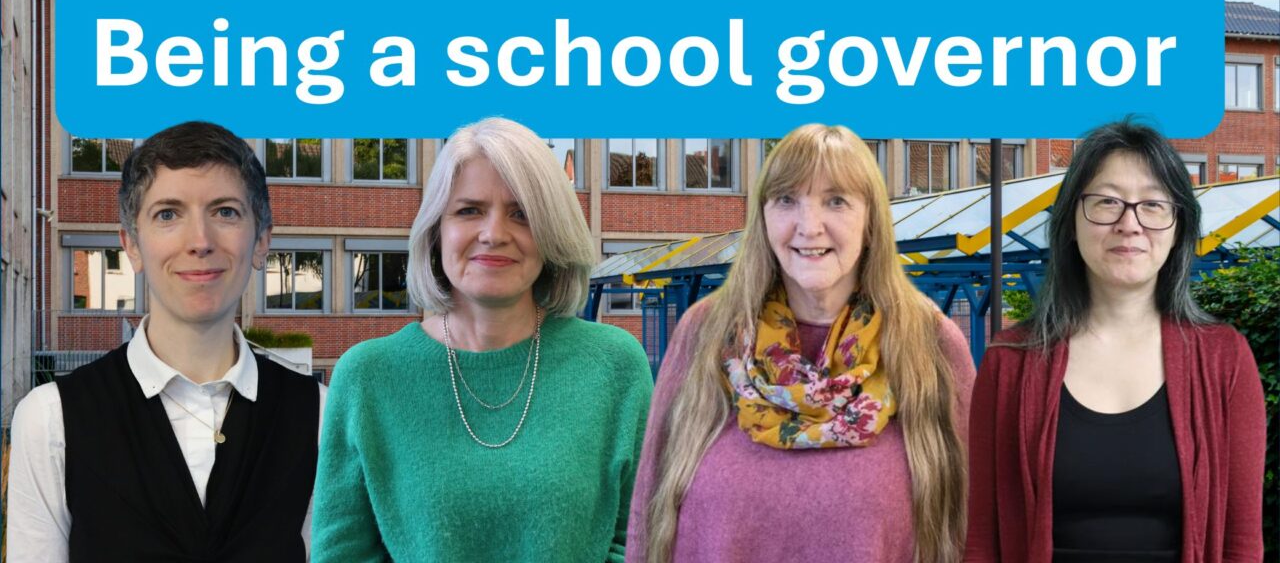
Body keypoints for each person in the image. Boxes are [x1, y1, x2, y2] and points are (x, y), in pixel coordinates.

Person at [627, 124, 975, 563]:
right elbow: (648, 511)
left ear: (870, 222)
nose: (809, 227)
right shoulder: (708, 334)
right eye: (787, 200)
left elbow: (971, 522)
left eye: (836, 201)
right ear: (764, 217)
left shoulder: (929, 343)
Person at [312, 117, 653, 562]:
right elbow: (342, 554)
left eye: (521, 213)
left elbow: (641, 543)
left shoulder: (615, 366)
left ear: (551, 231)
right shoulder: (367, 377)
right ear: (437, 231)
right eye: (469, 210)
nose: (493, 234)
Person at [5, 122, 325, 561]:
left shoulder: (322, 416)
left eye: (225, 212)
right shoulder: (50, 420)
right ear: (132, 246)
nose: (200, 241)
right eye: (168, 214)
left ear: (261, 241)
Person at [964, 120, 1266, 562]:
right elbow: (981, 542)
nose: (1130, 224)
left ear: (1179, 226)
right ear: (1070, 223)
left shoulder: (1224, 360)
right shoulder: (1011, 363)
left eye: (1153, 205)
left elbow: (1241, 543)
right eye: (1107, 202)